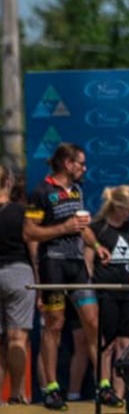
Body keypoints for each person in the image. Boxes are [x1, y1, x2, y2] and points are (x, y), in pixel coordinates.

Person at [24, 142, 103, 410]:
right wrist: (63, 228)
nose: (84, 168)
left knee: (92, 321)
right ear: (67, 164)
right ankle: (52, 389)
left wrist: (97, 246)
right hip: (53, 264)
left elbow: (83, 228)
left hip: (77, 264)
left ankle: (103, 384)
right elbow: (30, 232)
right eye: (81, 163)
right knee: (54, 325)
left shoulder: (77, 190)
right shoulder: (40, 192)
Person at [90, 185, 129, 407]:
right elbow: (88, 258)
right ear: (117, 206)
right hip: (106, 291)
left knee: (126, 343)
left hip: (127, 292)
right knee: (107, 344)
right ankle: (105, 388)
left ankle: (120, 394)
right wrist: (92, 284)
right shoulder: (98, 228)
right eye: (128, 210)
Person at [0, 163, 33, 407]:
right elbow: (33, 245)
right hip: (19, 273)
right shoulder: (22, 212)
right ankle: (17, 393)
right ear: (8, 183)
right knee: (17, 339)